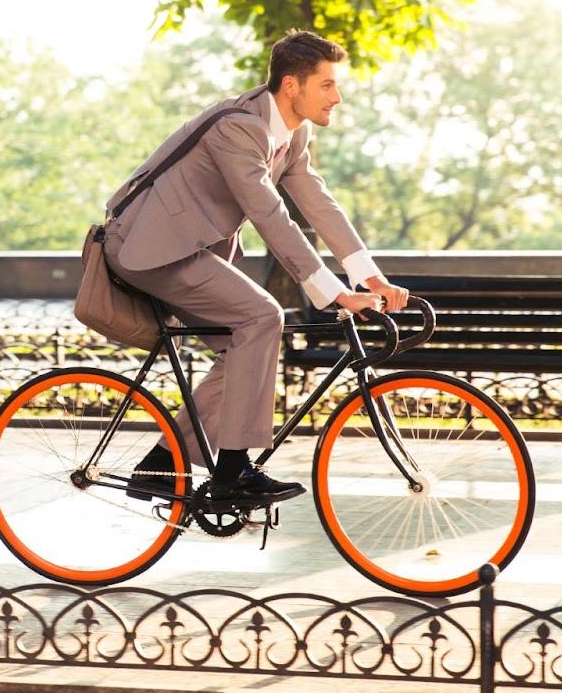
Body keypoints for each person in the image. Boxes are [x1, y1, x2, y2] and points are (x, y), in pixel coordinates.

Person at [101, 29, 409, 506]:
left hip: (186, 250)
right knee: (262, 316)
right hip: (147, 248)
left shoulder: (293, 130)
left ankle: (162, 465)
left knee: (246, 347)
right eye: (327, 85)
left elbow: (316, 201)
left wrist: (367, 273)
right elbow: (270, 214)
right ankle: (233, 472)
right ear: (292, 86)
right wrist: (332, 292)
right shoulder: (239, 128)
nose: (338, 97)